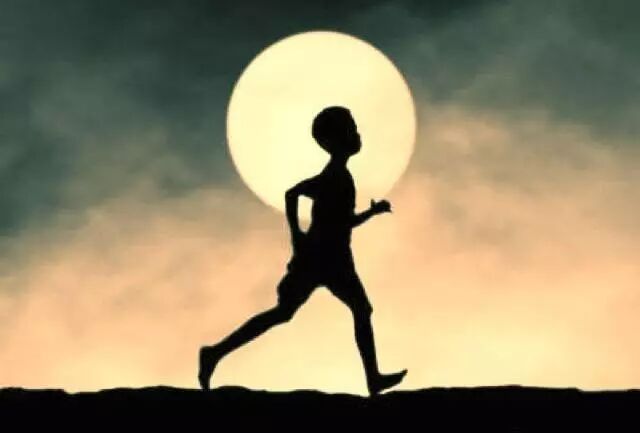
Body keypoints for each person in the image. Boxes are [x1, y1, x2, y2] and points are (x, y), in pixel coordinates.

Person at [198, 106, 407, 396]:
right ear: (335, 140)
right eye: (351, 130)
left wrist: (371, 213)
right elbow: (293, 194)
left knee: (320, 311)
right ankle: (214, 353)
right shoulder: (333, 176)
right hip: (321, 258)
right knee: (294, 313)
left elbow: (341, 222)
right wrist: (296, 235)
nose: (357, 135)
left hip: (333, 258)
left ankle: (373, 378)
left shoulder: (340, 176)